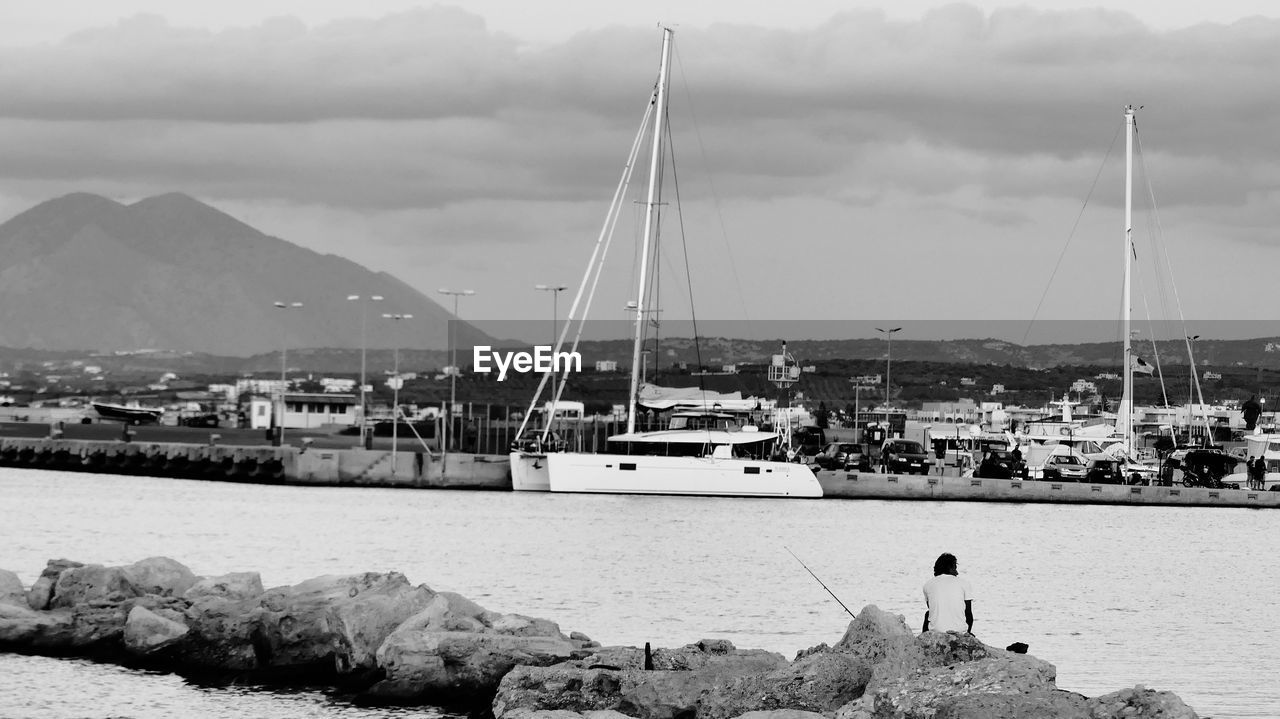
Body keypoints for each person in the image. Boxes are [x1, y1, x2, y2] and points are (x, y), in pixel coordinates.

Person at [922, 552, 973, 635]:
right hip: (960, 631)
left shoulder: (927, 585)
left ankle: (925, 639)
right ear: (950, 568)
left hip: (936, 631)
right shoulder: (964, 583)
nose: (957, 572)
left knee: (928, 614)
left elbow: (931, 609)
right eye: (955, 568)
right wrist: (968, 632)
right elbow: (968, 613)